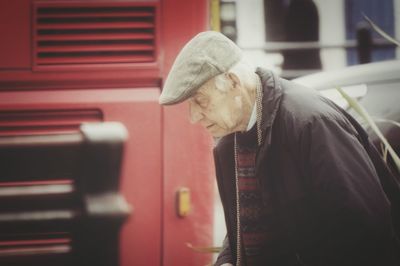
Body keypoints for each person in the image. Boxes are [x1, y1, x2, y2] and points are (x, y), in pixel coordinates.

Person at [159, 31, 400, 266]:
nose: (193, 117)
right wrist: (227, 260)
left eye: (200, 101)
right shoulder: (228, 141)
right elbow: (245, 224)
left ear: (233, 82)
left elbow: (368, 229)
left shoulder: (311, 124)